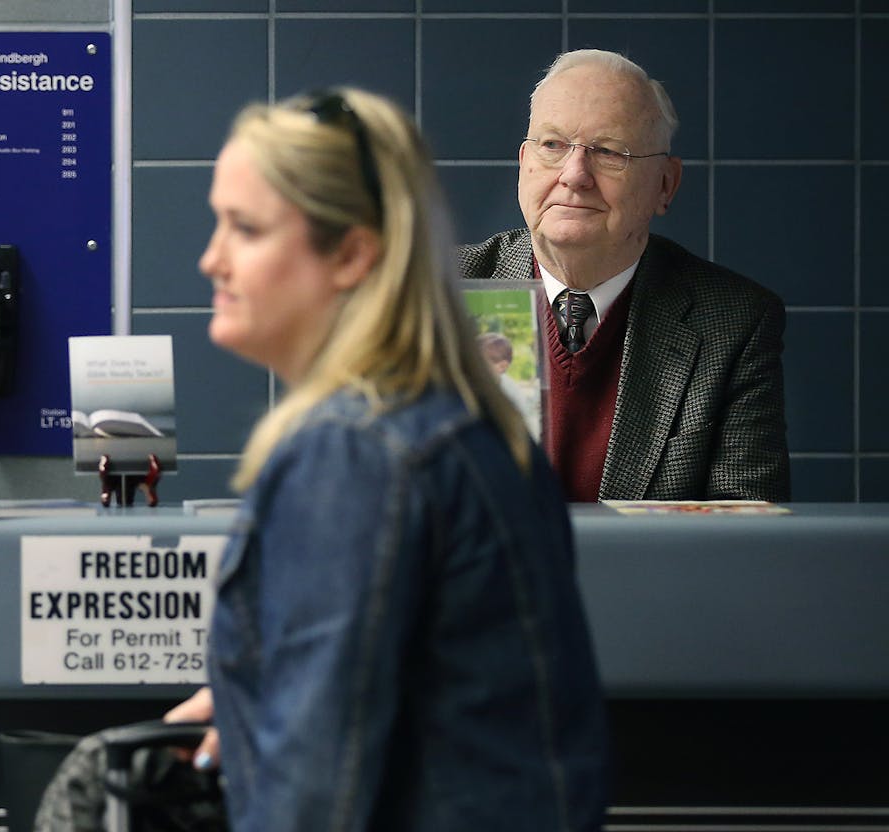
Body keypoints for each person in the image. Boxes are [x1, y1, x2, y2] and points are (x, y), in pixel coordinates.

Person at [166, 88, 608, 831]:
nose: (211, 258)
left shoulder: (352, 452)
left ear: (350, 254)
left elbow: (313, 803)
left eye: (244, 228)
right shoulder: (473, 424)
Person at [459, 48, 790, 503]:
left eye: (609, 152)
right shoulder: (436, 294)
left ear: (664, 185)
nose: (575, 175)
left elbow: (743, 542)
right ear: (524, 163)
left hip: (651, 577)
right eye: (553, 145)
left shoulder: (733, 323)